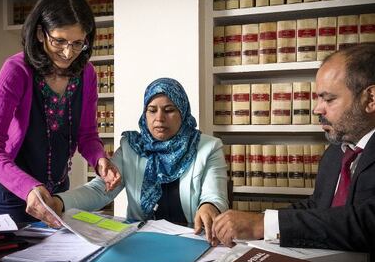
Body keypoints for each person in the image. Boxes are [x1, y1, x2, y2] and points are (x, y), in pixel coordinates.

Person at [211, 44, 375, 262]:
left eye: (328, 99)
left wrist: (264, 225)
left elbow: (367, 222)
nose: (317, 109)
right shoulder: (335, 154)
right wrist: (255, 220)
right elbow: (318, 207)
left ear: (371, 99)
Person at [30, 77, 229, 244]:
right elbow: (101, 189)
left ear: (183, 113)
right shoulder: (132, 147)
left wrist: (209, 206)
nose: (159, 118)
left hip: (190, 240)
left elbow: (215, 195)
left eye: (169, 110)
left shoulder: (208, 147)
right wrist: (59, 202)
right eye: (152, 110)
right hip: (140, 241)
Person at [0, 0, 120, 223]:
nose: (67, 52)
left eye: (77, 43)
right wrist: (29, 187)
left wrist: (99, 159)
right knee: (17, 256)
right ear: (41, 34)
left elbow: (87, 136)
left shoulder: (87, 74)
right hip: (10, 189)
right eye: (59, 41)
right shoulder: (16, 70)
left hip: (57, 186)